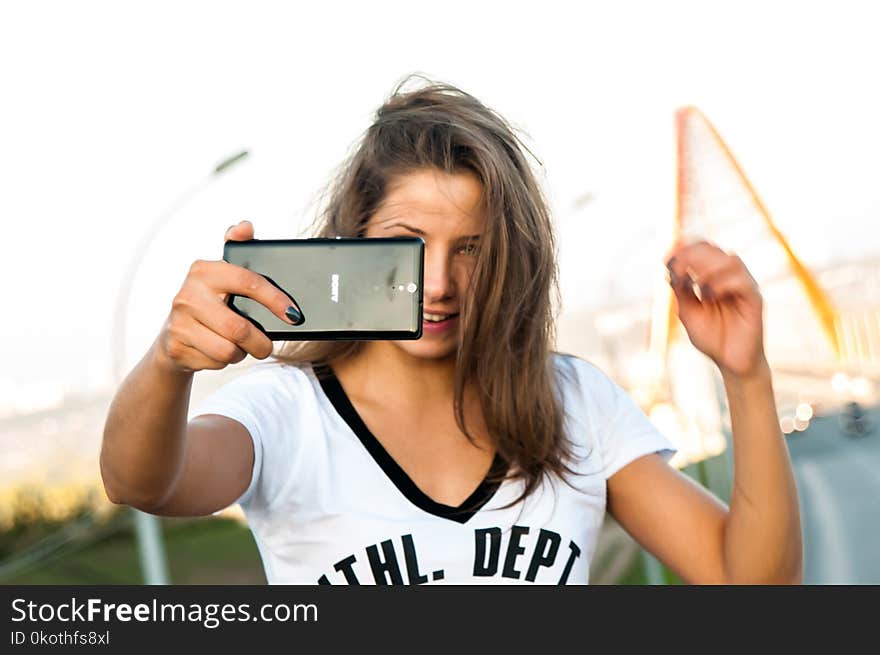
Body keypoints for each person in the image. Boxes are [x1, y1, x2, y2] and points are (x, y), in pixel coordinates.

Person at [101, 77, 802, 585]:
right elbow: (141, 479)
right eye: (409, 242)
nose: (439, 281)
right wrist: (170, 362)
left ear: (513, 257)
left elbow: (755, 584)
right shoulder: (287, 410)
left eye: (473, 248)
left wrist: (746, 375)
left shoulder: (573, 402)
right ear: (357, 237)